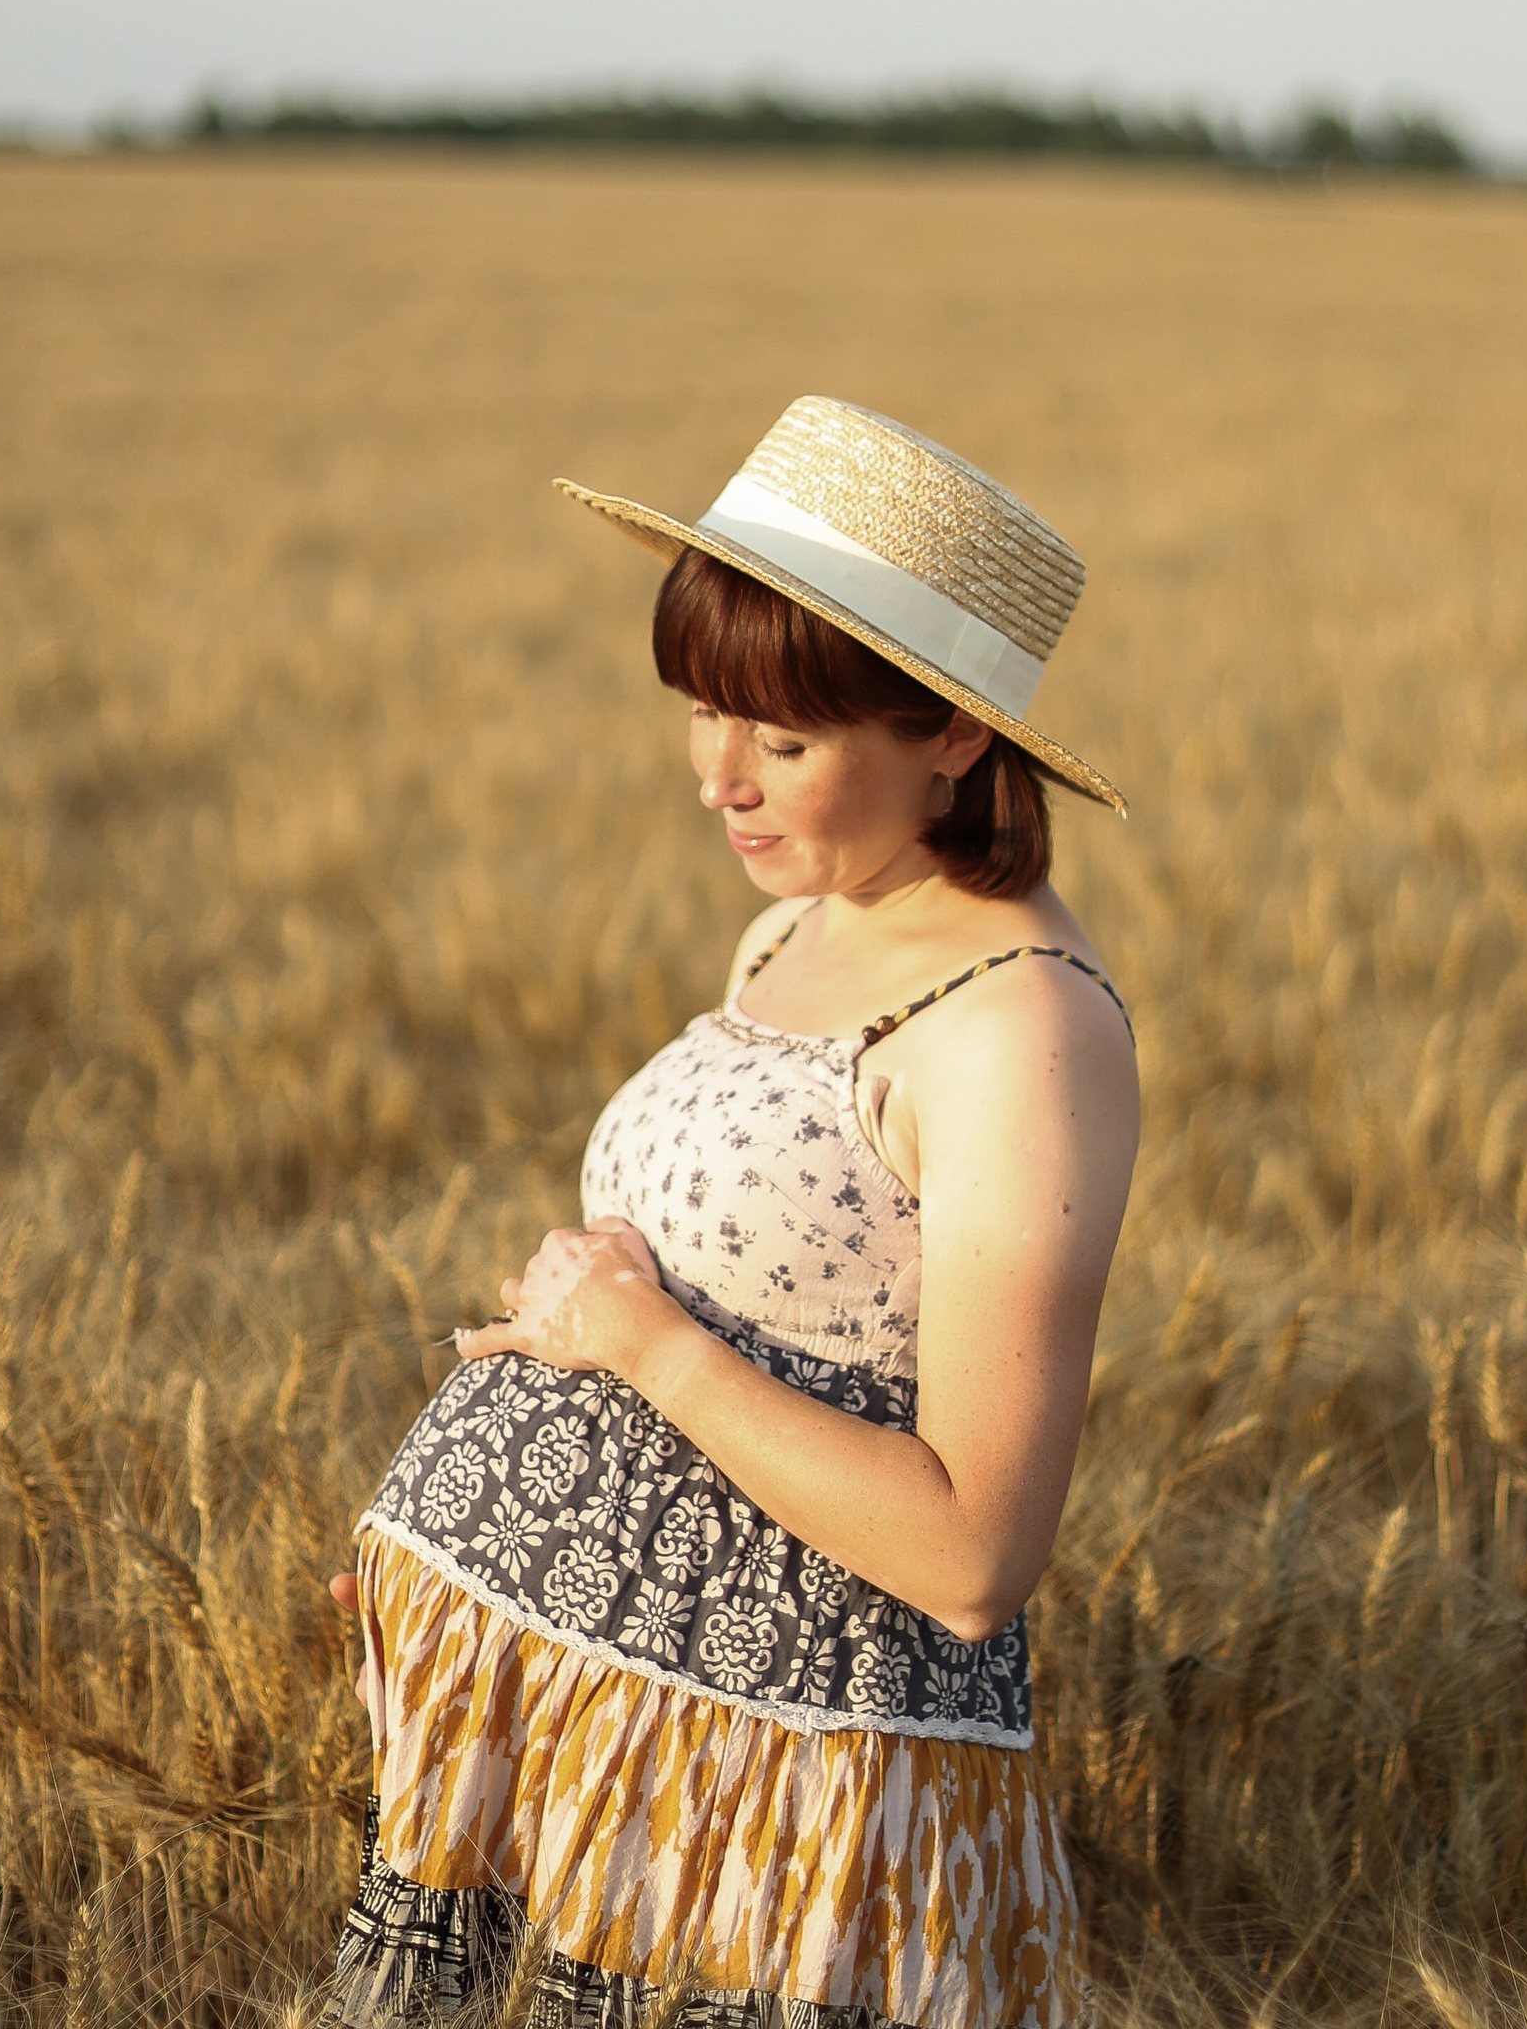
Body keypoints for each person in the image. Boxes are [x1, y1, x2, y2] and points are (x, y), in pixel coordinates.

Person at [325, 396, 1140, 2029]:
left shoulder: (1022, 1031)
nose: (718, 782)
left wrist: (636, 1345)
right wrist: (503, 1510)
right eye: (701, 714)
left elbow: (976, 1553)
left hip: (774, 1801)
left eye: (779, 742)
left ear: (954, 738)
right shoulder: (798, 935)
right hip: (591, 1738)